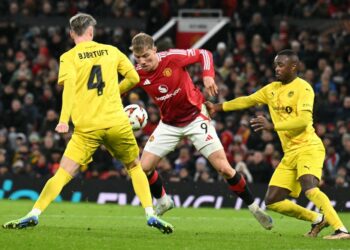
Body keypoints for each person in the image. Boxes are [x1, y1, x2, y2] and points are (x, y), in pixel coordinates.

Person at [2, 13, 173, 234]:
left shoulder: (68, 57)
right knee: (134, 167)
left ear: (72, 33)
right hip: (116, 123)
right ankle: (150, 213)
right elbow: (134, 78)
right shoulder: (111, 51)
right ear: (91, 31)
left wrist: (63, 120)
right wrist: (114, 92)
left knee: (63, 173)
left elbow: (69, 89)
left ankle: (34, 213)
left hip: (87, 127)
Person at [119, 32, 273, 230]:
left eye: (146, 56)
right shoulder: (137, 73)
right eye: (138, 58)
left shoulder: (172, 58)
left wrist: (208, 76)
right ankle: (163, 200)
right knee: (144, 168)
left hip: (195, 117)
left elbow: (205, 54)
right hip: (169, 125)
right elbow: (117, 91)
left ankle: (254, 208)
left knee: (224, 169)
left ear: (155, 50)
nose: (143, 61)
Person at [205, 49, 350, 240]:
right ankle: (317, 219)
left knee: (310, 187)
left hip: (308, 147)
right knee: (272, 200)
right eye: (276, 65)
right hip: (289, 153)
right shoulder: (271, 89)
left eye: (281, 65)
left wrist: (273, 126)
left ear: (293, 66)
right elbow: (247, 100)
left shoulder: (304, 88)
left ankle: (341, 230)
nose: (277, 68)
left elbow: (304, 121)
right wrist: (218, 107)